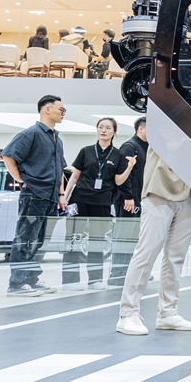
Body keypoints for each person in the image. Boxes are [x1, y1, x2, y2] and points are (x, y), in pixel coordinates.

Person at [116, 96, 191, 336]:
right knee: (147, 251)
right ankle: (127, 313)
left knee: (175, 258)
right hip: (161, 190)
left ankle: (167, 313)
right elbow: (174, 143)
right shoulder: (165, 112)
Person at [1, 95, 67, 296]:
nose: (62, 113)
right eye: (60, 109)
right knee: (25, 238)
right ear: (47, 109)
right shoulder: (31, 133)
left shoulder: (57, 138)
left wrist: (61, 194)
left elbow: (61, 169)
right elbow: (8, 155)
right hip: (34, 196)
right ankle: (16, 284)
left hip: (50, 198)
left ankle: (31, 279)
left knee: (40, 241)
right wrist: (22, 180)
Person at [60, 118, 137, 290]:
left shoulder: (117, 155)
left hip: (102, 202)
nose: (103, 130)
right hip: (79, 200)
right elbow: (74, 176)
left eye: (108, 128)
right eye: (100, 127)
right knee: (73, 240)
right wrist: (64, 195)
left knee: (97, 241)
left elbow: (118, 181)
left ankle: (95, 280)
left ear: (114, 132)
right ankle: (70, 281)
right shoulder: (86, 151)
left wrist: (129, 167)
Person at [109, 117, 147, 287]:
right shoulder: (130, 146)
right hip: (128, 200)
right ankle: (117, 274)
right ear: (140, 129)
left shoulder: (146, 147)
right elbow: (123, 175)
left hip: (139, 199)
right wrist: (128, 197)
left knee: (134, 237)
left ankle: (129, 272)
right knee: (124, 236)